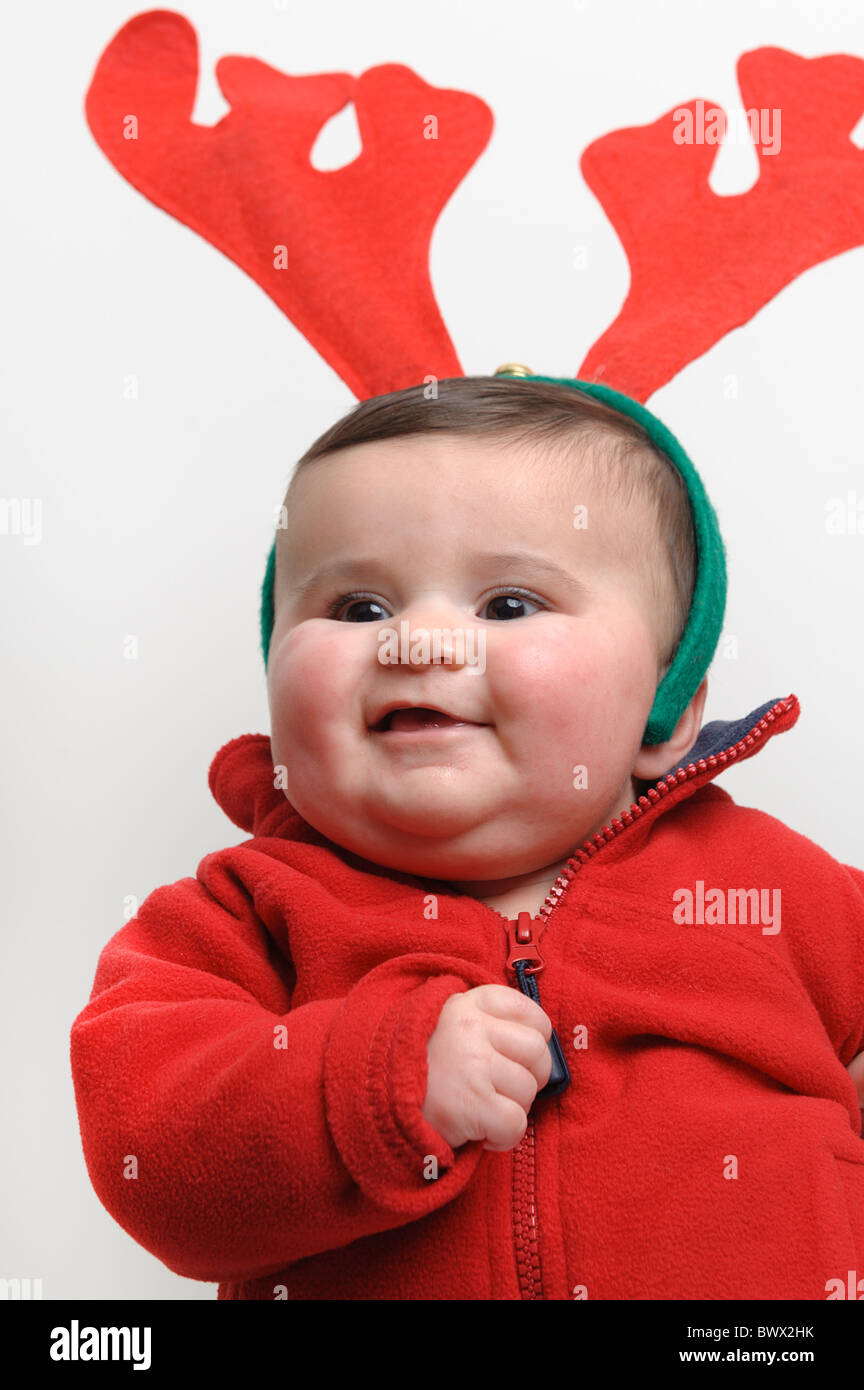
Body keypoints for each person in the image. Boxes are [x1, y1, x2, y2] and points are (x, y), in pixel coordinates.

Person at [70, 374, 864, 1300]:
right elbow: (151, 1149)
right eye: (359, 608)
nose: (422, 640)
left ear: (667, 707)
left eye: (509, 605)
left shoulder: (774, 891)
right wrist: (379, 1083)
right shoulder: (242, 918)